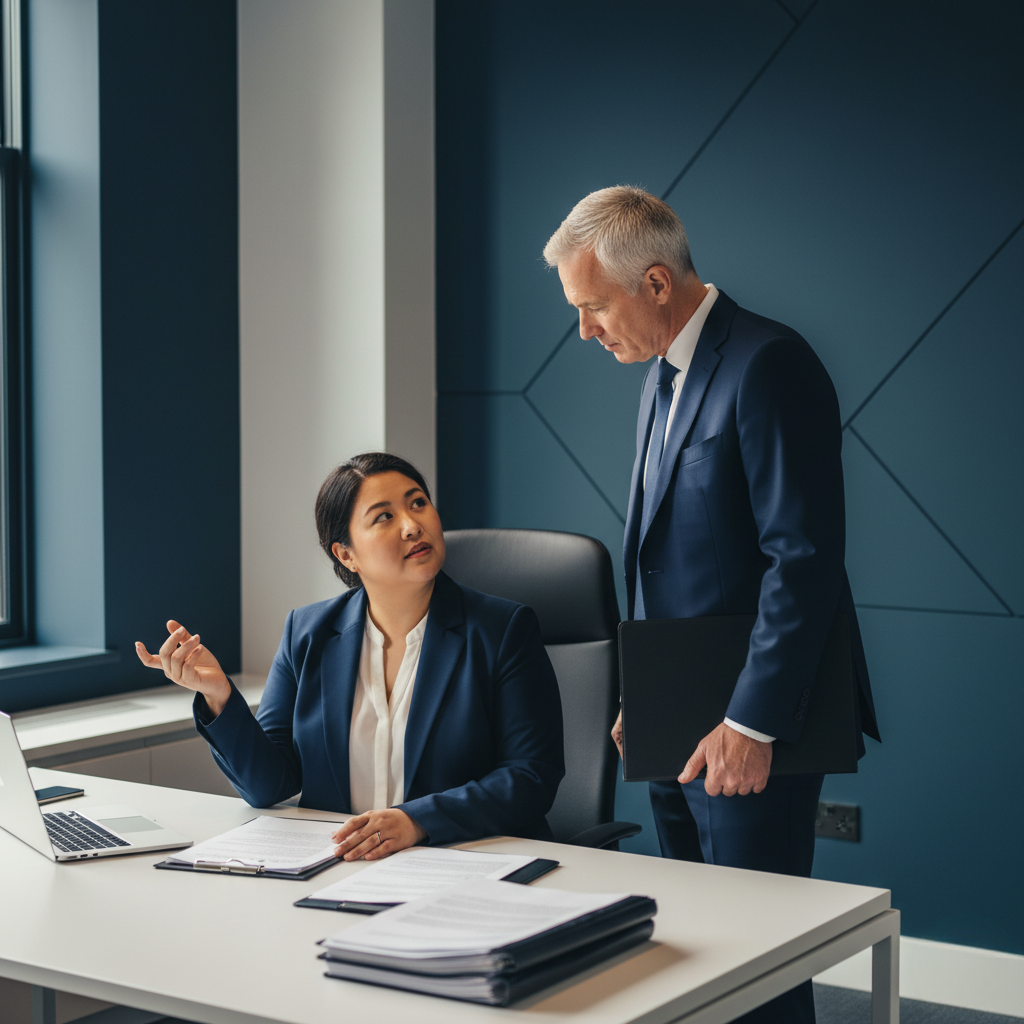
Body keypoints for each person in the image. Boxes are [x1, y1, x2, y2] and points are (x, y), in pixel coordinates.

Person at [543, 187, 878, 1024]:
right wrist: (642, 700)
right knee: (697, 955)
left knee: (758, 963)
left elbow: (801, 559)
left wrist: (752, 723)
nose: (585, 330)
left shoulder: (769, 363)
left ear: (656, 284)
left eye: (593, 307)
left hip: (748, 727)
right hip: (678, 722)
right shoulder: (663, 373)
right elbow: (671, 562)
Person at [136, 452, 564, 863]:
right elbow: (269, 786)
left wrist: (417, 821)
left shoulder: (502, 629)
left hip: (465, 860)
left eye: (418, 503)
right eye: (384, 516)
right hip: (342, 865)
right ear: (346, 554)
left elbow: (531, 776)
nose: (413, 526)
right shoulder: (308, 633)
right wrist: (218, 696)